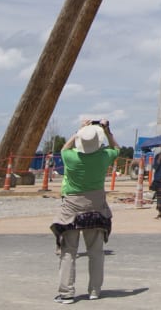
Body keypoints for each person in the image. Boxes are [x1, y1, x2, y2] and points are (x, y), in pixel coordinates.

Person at [50, 119, 119, 304]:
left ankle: (66, 292)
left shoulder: (70, 157)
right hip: (96, 208)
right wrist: (107, 130)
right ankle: (95, 290)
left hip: (71, 208)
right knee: (96, 252)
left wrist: (80, 131)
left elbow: (64, 148)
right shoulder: (104, 156)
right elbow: (116, 148)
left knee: (68, 252)